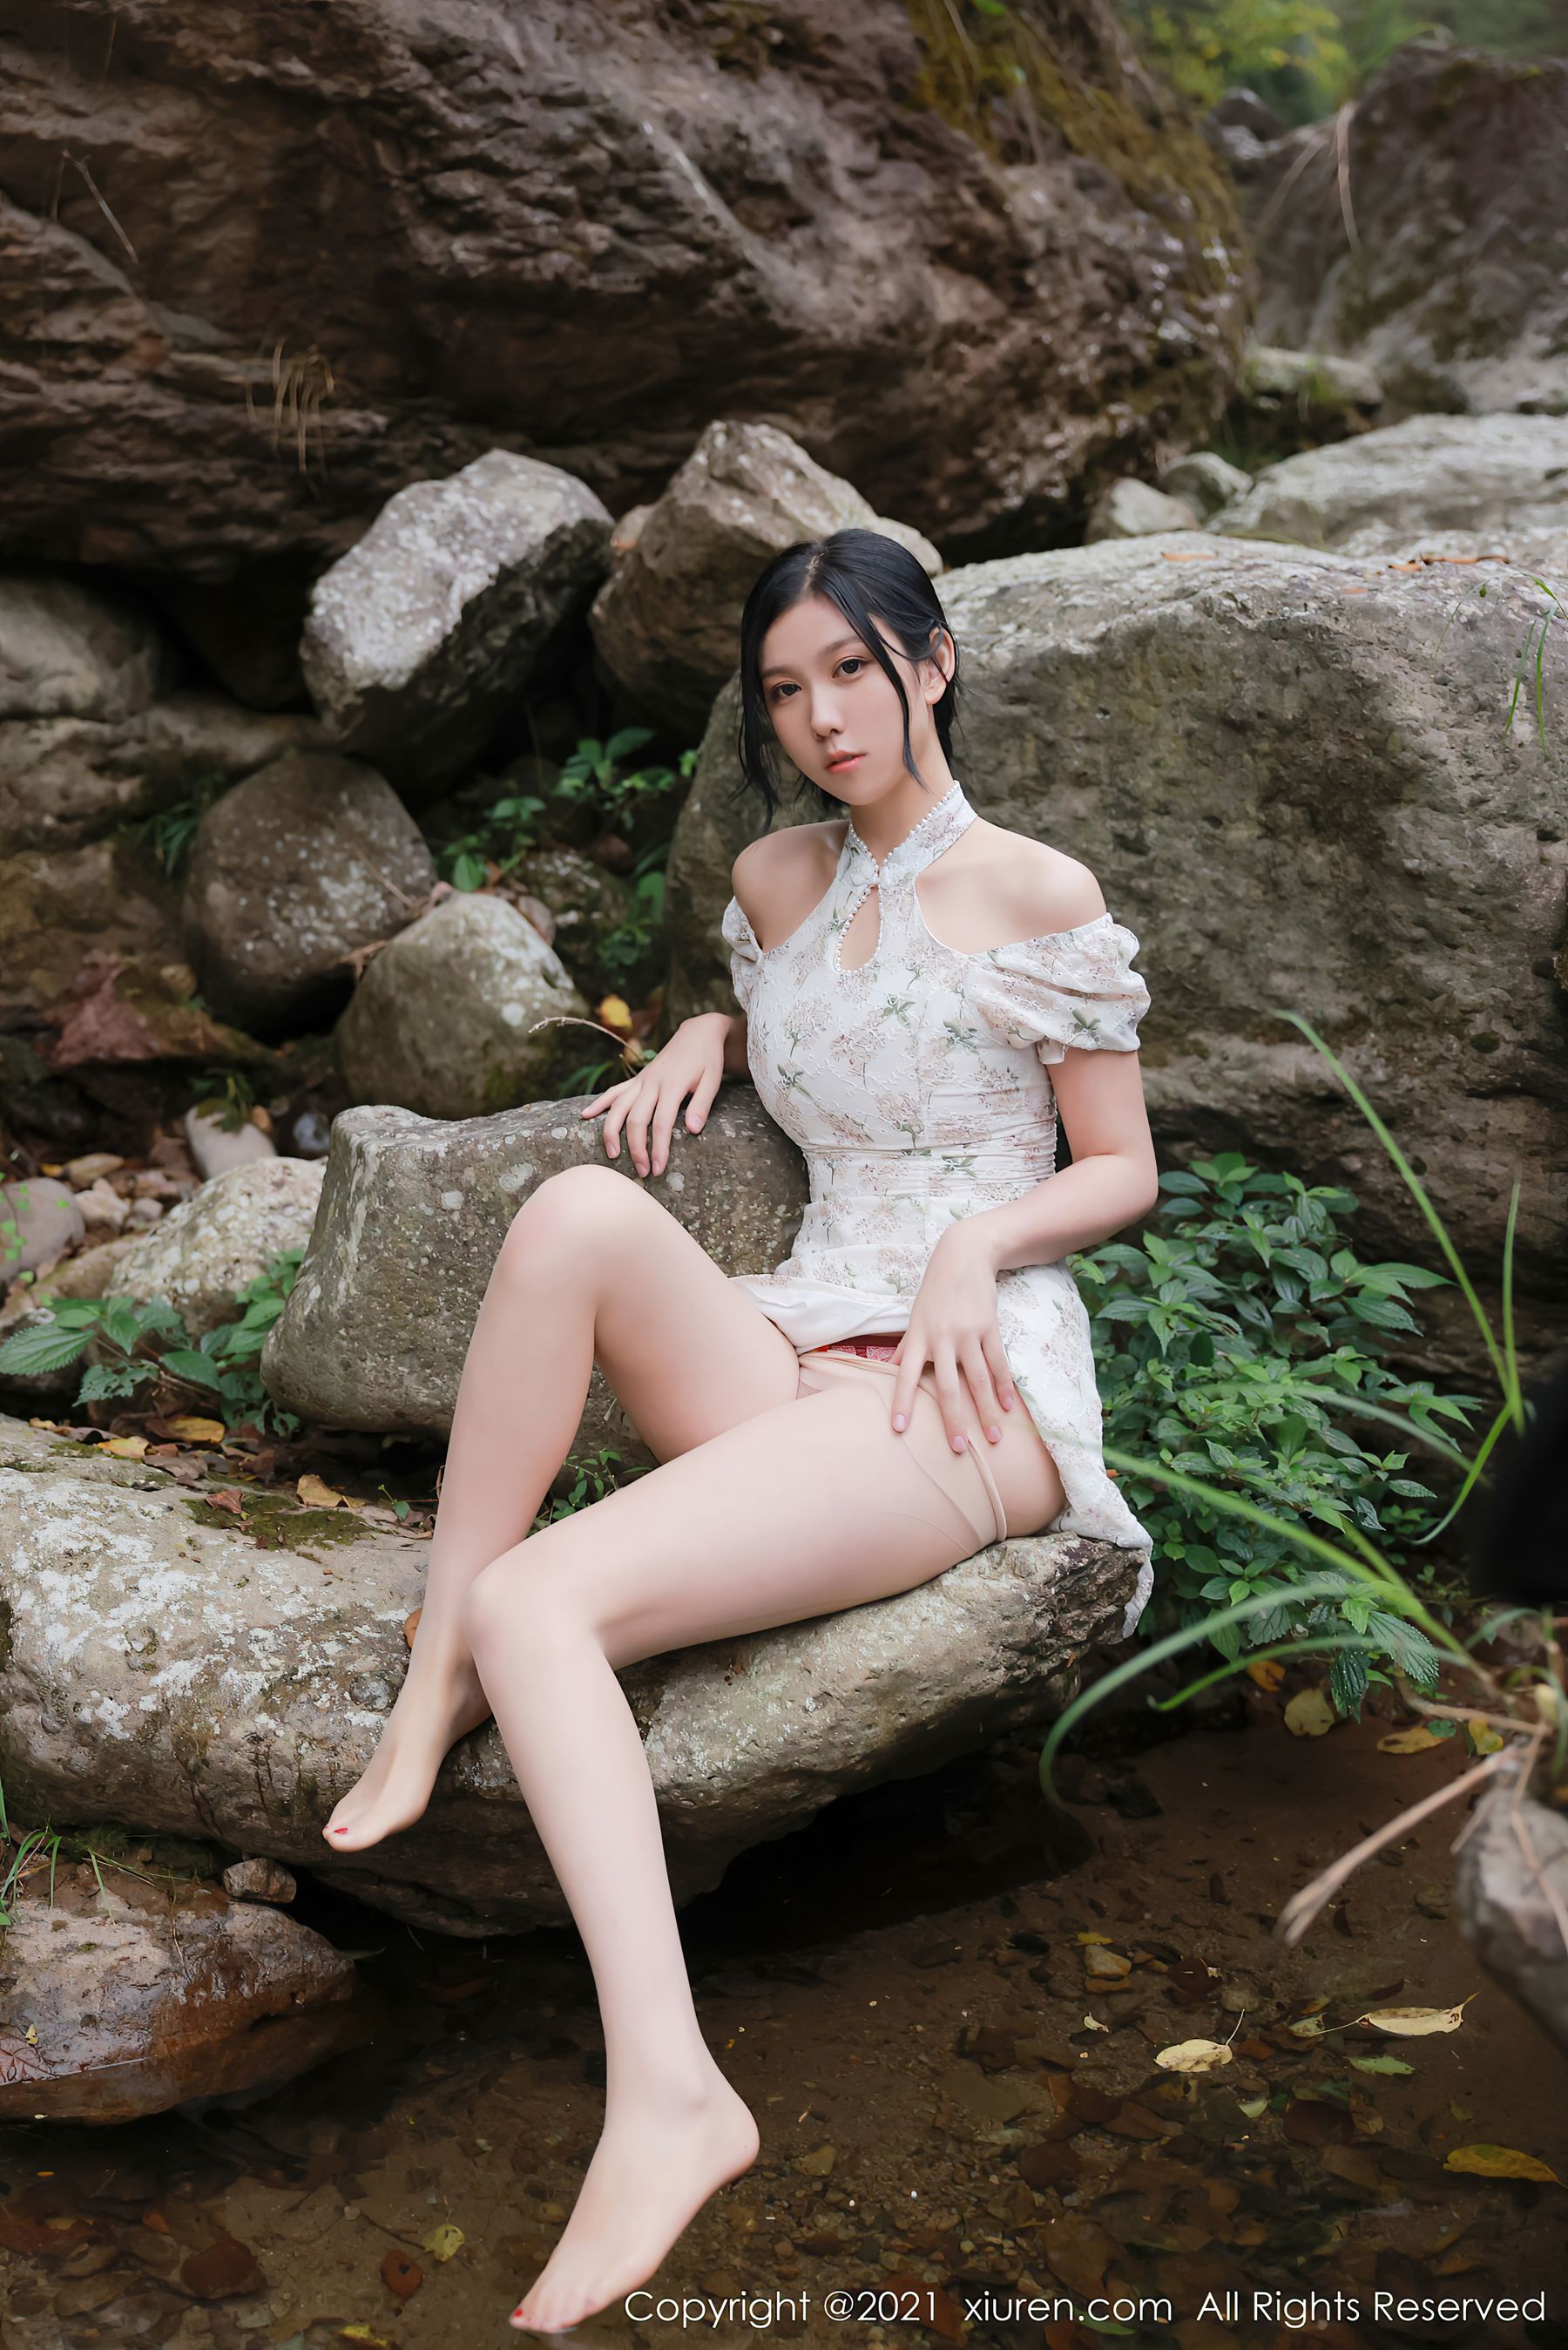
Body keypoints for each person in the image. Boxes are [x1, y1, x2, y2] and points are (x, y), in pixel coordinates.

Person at [320, 527, 1159, 2334]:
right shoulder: (777, 880)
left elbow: (1123, 1166)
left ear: (932, 662)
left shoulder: (1034, 887)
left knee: (549, 1599)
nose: (823, 713)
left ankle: (675, 2094)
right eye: (787, 688)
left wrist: (977, 1244)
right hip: (796, 1334)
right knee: (573, 1215)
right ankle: (436, 1667)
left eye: (854, 667)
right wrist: (714, 1026)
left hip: (961, 1384)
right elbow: (822, 1015)